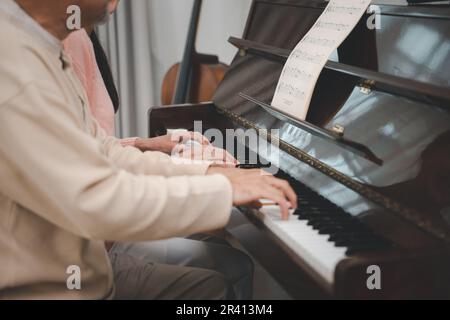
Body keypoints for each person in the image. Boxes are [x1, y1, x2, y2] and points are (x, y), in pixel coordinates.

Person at [0, 0, 297, 300]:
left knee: (212, 286)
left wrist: (210, 172)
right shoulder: (16, 67)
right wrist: (222, 191)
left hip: (87, 273)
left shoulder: (41, 47)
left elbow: (106, 152)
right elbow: (100, 201)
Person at [62, 18, 253, 300]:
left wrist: (145, 144)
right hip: (88, 251)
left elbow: (98, 144)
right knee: (226, 271)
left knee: (226, 255)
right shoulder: (69, 41)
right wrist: (210, 181)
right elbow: (94, 159)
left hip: (101, 234)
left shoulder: (78, 40)